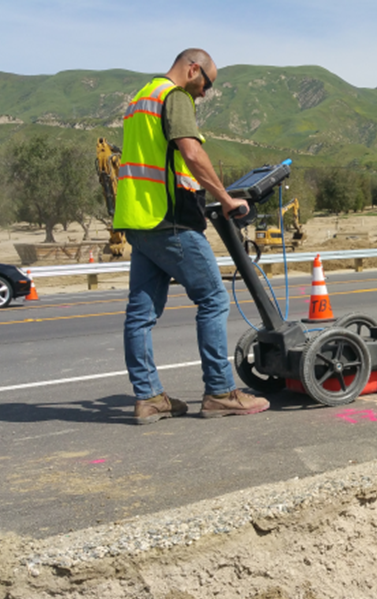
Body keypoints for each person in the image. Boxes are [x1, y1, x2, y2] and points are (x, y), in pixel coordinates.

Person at [114, 48, 269, 424]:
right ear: (193, 69)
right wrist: (227, 199)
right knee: (214, 299)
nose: (205, 93)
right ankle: (219, 392)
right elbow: (192, 154)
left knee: (140, 315)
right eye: (207, 84)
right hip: (172, 220)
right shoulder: (175, 96)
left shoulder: (141, 98)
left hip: (139, 221)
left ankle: (148, 397)